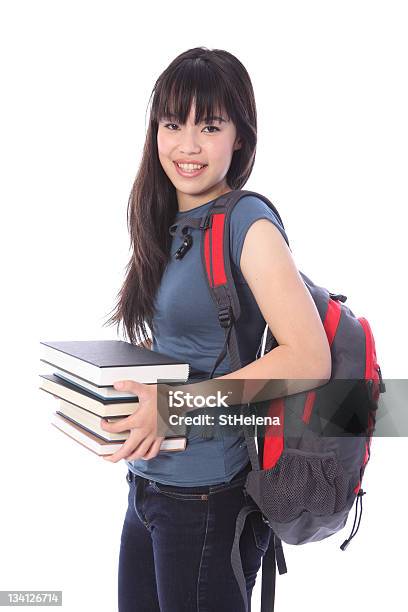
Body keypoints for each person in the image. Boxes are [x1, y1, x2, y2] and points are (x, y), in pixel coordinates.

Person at [101, 47, 331, 612]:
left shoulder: (246, 223)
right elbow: (186, 348)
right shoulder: (168, 222)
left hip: (206, 500)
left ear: (240, 139)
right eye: (173, 124)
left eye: (210, 126)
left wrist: (172, 410)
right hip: (148, 487)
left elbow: (309, 357)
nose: (188, 145)